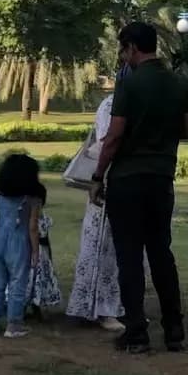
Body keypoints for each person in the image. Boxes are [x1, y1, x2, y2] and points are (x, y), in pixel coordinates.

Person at [92, 21, 188, 354]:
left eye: (123, 50)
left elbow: (114, 137)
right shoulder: (180, 84)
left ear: (132, 48)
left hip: (127, 180)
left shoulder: (129, 85)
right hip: (161, 179)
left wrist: (97, 177)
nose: (122, 57)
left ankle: (136, 332)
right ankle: (174, 330)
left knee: (130, 258)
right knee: (161, 255)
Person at [66, 92, 126, 331]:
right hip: (108, 182)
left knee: (120, 248)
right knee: (103, 245)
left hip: (123, 181)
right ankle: (100, 308)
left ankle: (113, 306)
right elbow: (106, 142)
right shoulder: (112, 104)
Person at [0, 154, 41, 339]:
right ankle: (14, 324)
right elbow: (33, 228)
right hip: (19, 244)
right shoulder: (32, 200)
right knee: (18, 283)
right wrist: (35, 251)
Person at [27, 183, 62, 319]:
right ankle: (28, 308)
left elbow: (46, 240)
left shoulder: (42, 219)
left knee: (36, 282)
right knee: (32, 282)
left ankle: (35, 308)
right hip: (35, 255)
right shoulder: (34, 219)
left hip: (40, 257)